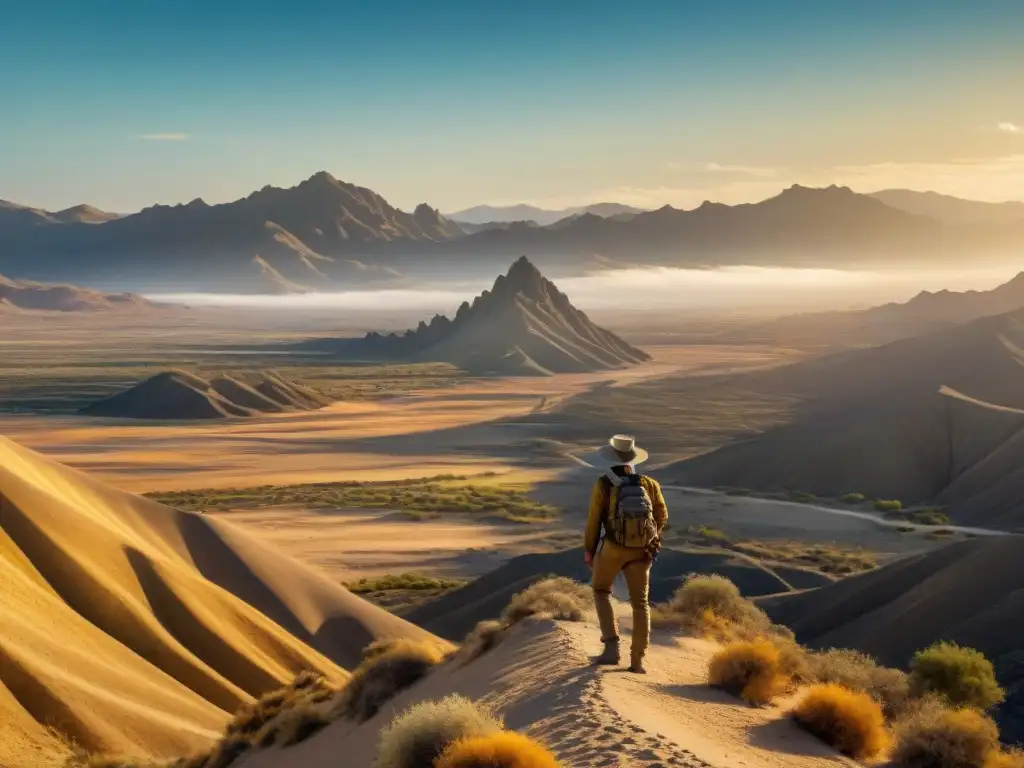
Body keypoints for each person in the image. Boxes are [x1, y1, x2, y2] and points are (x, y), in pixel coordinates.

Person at [584, 434, 668, 674]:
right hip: (641, 552)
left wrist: (589, 550)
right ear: (633, 459)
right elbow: (662, 516)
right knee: (640, 603)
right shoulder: (649, 484)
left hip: (612, 548)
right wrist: (651, 538)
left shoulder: (604, 484)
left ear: (610, 458)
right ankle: (637, 660)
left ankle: (611, 649)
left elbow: (594, 521)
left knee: (601, 591)